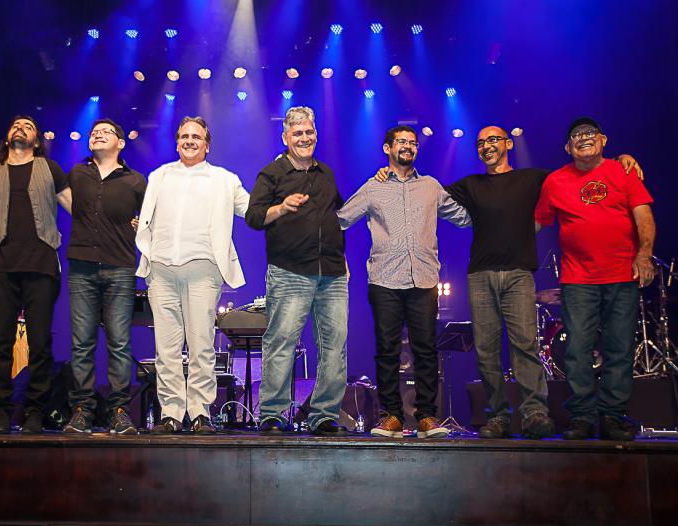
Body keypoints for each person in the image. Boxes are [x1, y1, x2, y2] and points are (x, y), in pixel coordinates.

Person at [375, 126, 641, 439]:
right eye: (480, 143)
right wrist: (389, 174)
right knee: (486, 351)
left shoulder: (534, 179)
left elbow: (576, 173)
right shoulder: (470, 185)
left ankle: (534, 415)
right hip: (480, 275)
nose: (486, 146)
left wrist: (620, 159)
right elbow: (426, 193)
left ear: (508, 144)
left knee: (525, 346)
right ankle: (498, 416)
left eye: (493, 140)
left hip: (519, 274)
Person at [338, 126, 471, 438]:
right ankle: (392, 416)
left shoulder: (430, 186)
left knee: (426, 349)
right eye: (402, 142)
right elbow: (341, 219)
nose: (408, 146)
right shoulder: (374, 186)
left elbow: (463, 217)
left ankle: (426, 417)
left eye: (413, 143)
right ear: (387, 148)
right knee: (387, 350)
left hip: (423, 277)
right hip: (384, 278)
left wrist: (491, 203)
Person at [535, 117, 655, 441]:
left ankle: (612, 416)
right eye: (576, 135)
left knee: (619, 348)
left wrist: (644, 255)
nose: (583, 138)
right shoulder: (555, 181)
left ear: (603, 140)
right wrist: (503, 244)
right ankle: (582, 418)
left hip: (622, 274)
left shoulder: (624, 171)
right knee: (577, 350)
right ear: (567, 147)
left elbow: (643, 215)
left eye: (590, 133)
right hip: (578, 279)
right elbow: (537, 222)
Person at [136, 116, 250, 434]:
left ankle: (200, 412)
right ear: (176, 143)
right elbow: (147, 218)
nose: (189, 141)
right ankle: (171, 413)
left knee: (201, 345)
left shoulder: (224, 179)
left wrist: (282, 207)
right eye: (184, 136)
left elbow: (252, 210)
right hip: (161, 268)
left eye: (196, 137)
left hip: (203, 268)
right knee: (167, 348)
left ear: (207, 145)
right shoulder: (159, 176)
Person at [245, 106, 348, 435]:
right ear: (285, 138)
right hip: (290, 271)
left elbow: (338, 215)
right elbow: (253, 217)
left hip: (332, 273)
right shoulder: (272, 174)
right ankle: (273, 414)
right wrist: (282, 207)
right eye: (298, 133)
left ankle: (324, 415)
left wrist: (343, 259)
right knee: (282, 342)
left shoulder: (325, 173)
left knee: (334, 345)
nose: (305, 138)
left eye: (309, 132)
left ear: (316, 134)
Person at [0, 115, 72, 434]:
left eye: (28, 126)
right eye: (15, 125)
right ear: (8, 136)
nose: (20, 128)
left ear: (36, 141)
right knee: (0, 343)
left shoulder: (49, 169)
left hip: (41, 264)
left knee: (39, 343)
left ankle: (35, 410)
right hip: (3, 266)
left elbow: (79, 209)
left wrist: (119, 222)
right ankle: (1, 411)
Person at [62, 118, 146, 435]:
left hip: (119, 267)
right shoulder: (77, 173)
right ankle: (82, 410)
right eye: (94, 132)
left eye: (106, 132)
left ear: (120, 143)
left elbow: (152, 219)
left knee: (119, 343)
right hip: (82, 266)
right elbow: (57, 194)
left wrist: (140, 226)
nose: (97, 134)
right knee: (82, 343)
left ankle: (119, 411)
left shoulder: (135, 180)